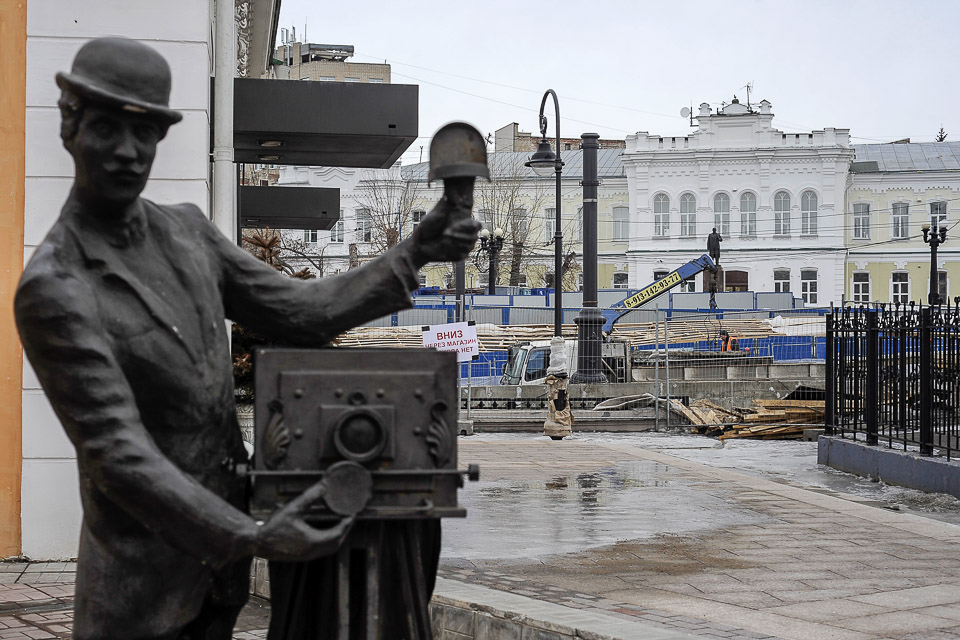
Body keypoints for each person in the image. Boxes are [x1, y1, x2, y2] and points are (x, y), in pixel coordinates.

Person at [14, 37, 479, 640]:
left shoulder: (188, 233)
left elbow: (302, 311)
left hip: (221, 577)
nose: (128, 151)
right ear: (69, 126)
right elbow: (118, 455)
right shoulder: (55, 287)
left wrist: (415, 250)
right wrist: (252, 535)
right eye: (106, 128)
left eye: (145, 133)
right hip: (142, 589)